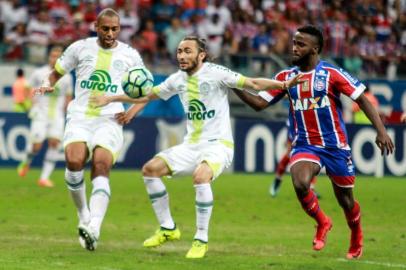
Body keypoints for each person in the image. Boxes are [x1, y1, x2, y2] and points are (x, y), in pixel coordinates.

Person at [89, 36, 303, 259]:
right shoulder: (176, 80)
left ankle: (201, 239)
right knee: (150, 170)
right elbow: (148, 95)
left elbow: (254, 84)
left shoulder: (217, 73)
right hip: (191, 145)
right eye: (180, 51)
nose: (182, 55)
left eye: (188, 51)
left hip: (218, 145)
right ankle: (168, 228)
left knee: (201, 177)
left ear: (201, 55)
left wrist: (284, 85)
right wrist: (114, 100)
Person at [233, 25, 394, 259]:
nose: (294, 47)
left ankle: (356, 235)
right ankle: (322, 222)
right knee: (299, 182)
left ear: (315, 49)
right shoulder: (286, 78)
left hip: (335, 146)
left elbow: (362, 98)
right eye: (294, 43)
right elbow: (259, 103)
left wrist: (381, 131)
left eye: (300, 44)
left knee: (346, 201)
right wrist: (233, 83)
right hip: (305, 145)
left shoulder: (331, 73)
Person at [36, 8, 145, 251]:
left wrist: (131, 112)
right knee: (74, 162)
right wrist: (46, 85)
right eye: (105, 28)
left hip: (110, 118)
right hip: (80, 116)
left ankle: (94, 226)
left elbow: (146, 91)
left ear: (119, 28)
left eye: (114, 28)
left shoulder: (130, 55)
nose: (110, 33)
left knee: (101, 164)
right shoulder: (80, 47)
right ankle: (84, 215)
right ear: (96, 26)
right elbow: (55, 73)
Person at [17, 46, 72, 187]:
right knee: (36, 147)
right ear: (49, 57)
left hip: (57, 116)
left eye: (58, 56)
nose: (55, 59)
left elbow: (68, 97)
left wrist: (68, 112)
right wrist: (31, 104)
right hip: (40, 115)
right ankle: (26, 160)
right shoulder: (39, 73)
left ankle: (44, 178)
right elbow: (27, 89)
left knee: (54, 144)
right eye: (53, 56)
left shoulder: (67, 76)